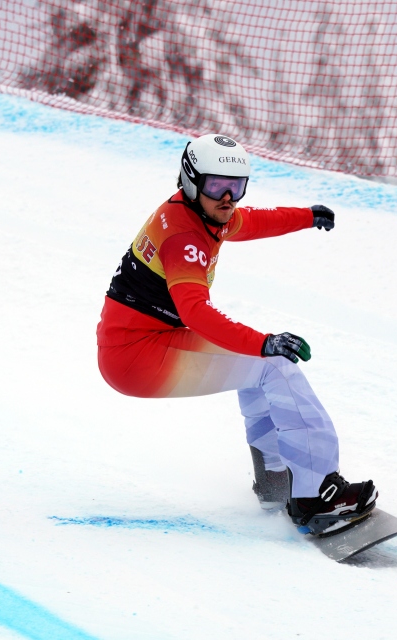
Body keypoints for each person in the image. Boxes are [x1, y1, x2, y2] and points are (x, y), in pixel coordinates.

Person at [96, 133, 376, 535]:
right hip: (140, 356)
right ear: (192, 181)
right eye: (216, 185)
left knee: (259, 369)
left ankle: (275, 481)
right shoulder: (185, 236)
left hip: (138, 344)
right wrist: (263, 341)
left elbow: (251, 222)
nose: (228, 197)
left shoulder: (201, 213)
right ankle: (316, 497)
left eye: (237, 186)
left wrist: (305, 216)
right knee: (274, 366)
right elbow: (195, 311)